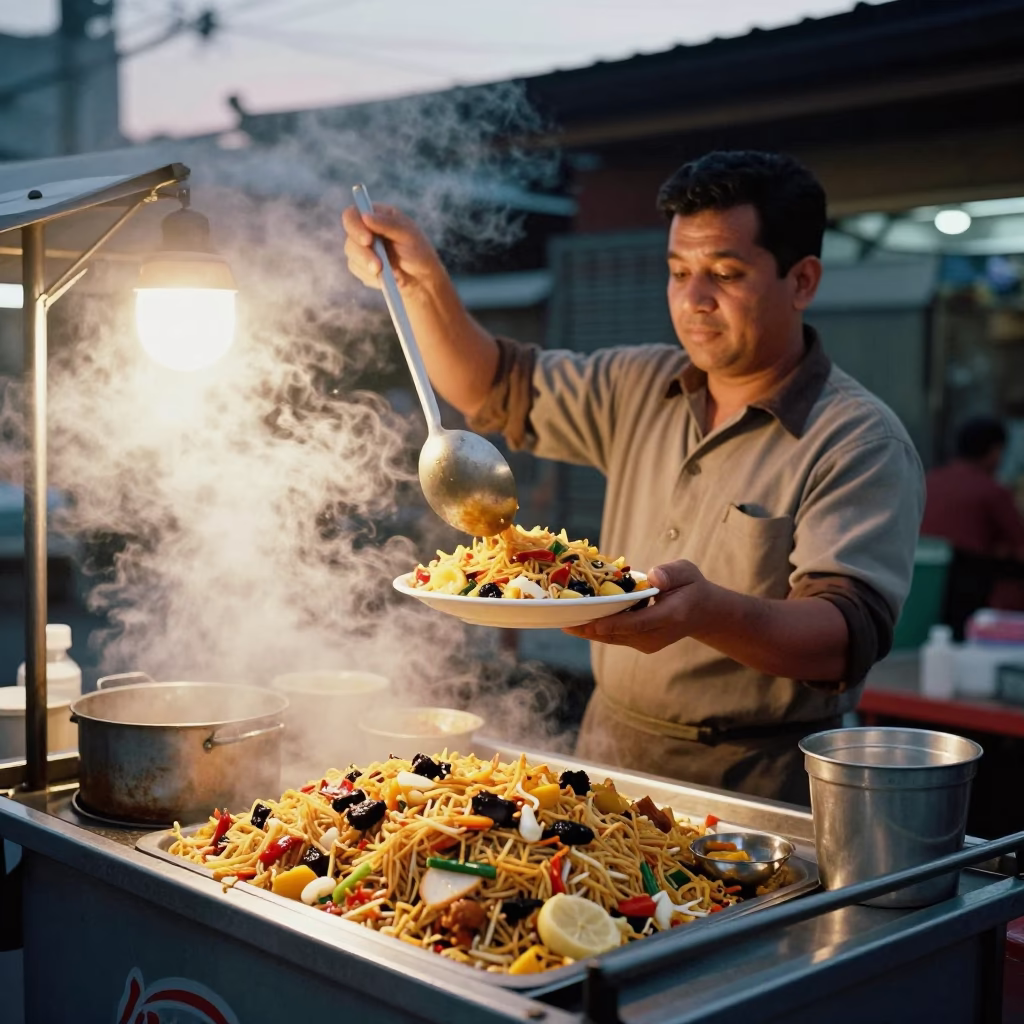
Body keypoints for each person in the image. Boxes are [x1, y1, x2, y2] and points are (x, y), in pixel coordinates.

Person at [342, 150, 924, 805]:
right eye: (679, 273)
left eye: (725, 274)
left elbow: (843, 639)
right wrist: (420, 283)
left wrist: (707, 612)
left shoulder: (857, 439)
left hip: (755, 780)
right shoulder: (642, 384)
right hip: (609, 756)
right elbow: (489, 385)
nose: (694, 299)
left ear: (802, 281)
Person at [921, 416, 1024, 630]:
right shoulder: (992, 491)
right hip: (968, 593)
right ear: (995, 451)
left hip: (921, 585)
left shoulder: (930, 480)